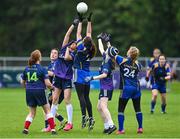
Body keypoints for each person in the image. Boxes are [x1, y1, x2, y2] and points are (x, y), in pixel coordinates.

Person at [85, 33, 118, 134]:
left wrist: (92, 78)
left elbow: (104, 75)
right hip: (105, 87)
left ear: (109, 53)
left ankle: (112, 125)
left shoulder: (107, 63)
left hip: (106, 87)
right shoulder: (107, 57)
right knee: (99, 107)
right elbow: (102, 48)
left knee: (103, 106)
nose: (106, 50)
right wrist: (99, 39)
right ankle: (107, 126)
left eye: (108, 50)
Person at [50, 19, 78, 131]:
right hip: (58, 78)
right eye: (72, 43)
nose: (73, 44)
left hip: (66, 79)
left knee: (67, 99)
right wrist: (73, 25)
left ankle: (70, 123)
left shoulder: (73, 54)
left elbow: (66, 57)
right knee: (54, 99)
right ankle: (51, 124)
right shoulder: (63, 49)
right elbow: (67, 35)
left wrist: (67, 47)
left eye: (75, 44)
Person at [21, 49, 56, 135]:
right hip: (39, 91)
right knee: (48, 110)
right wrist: (53, 87)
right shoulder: (42, 69)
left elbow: (22, 82)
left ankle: (26, 128)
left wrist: (27, 88)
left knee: (32, 112)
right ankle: (53, 130)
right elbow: (47, 83)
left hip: (29, 91)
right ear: (39, 58)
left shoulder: (26, 68)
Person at [73, 12, 96, 130]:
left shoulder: (81, 47)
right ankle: (91, 118)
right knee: (87, 97)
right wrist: (89, 21)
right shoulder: (91, 48)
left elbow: (78, 33)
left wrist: (81, 22)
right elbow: (89, 33)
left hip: (79, 73)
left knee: (80, 97)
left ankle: (84, 117)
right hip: (87, 74)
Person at [115, 47, 143, 134]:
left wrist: (108, 43)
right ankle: (140, 128)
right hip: (136, 88)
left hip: (126, 88)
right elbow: (139, 70)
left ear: (129, 53)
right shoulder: (138, 64)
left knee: (121, 110)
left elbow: (112, 53)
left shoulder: (122, 60)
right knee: (138, 109)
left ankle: (121, 129)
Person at [42, 48, 67, 132]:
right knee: (47, 108)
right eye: (52, 53)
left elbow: (53, 73)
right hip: (53, 89)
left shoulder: (58, 63)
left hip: (59, 90)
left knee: (46, 108)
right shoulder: (50, 64)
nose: (53, 54)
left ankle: (48, 126)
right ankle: (62, 120)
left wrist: (44, 71)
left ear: (58, 55)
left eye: (55, 53)